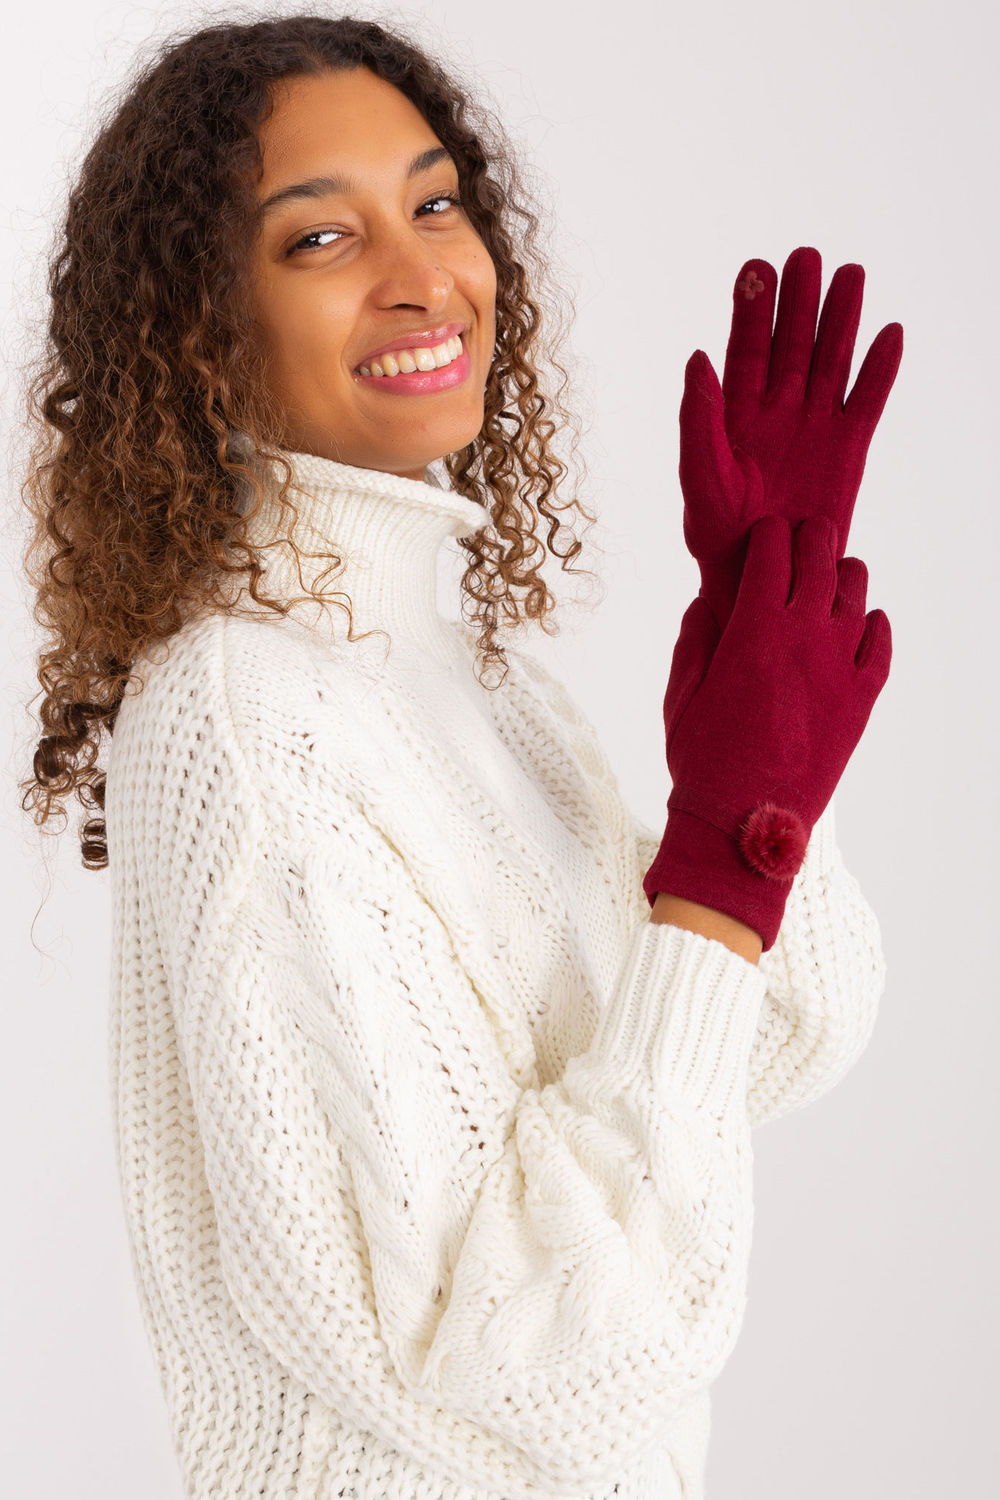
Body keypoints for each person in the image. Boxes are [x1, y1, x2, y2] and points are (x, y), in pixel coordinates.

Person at [17, 13, 902, 1500]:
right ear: (198, 329)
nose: (423, 274)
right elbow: (519, 1347)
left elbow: (780, 1040)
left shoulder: (487, 692)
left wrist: (758, 767)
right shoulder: (242, 715)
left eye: (435, 204)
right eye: (319, 238)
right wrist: (722, 855)